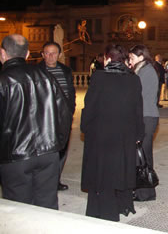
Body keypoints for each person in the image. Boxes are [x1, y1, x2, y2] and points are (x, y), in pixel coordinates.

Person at [0, 34, 72, 209]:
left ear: (2, 53)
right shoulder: (46, 77)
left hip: (15, 155)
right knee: (47, 205)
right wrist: (57, 144)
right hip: (48, 152)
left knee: (19, 209)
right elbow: (64, 113)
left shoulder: (3, 80)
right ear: (27, 54)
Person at [81, 44, 144, 222]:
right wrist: (139, 134)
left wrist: (85, 128)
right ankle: (121, 205)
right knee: (120, 172)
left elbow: (90, 107)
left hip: (101, 135)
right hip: (124, 135)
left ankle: (104, 212)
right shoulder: (133, 80)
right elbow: (138, 110)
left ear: (107, 58)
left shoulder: (99, 77)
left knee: (102, 175)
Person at [39, 41, 76, 191]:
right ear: (42, 55)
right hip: (43, 118)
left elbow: (71, 92)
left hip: (63, 117)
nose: (50, 56)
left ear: (59, 55)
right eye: (47, 53)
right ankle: (43, 181)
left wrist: (70, 110)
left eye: (54, 53)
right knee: (45, 151)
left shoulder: (66, 70)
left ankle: (55, 180)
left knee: (62, 151)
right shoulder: (36, 71)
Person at [129, 44, 160, 202]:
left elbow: (138, 95)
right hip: (145, 115)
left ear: (141, 56)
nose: (130, 60)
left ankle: (146, 192)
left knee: (143, 155)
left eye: (132, 57)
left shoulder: (146, 71)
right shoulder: (141, 70)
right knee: (141, 155)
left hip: (146, 116)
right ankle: (142, 190)